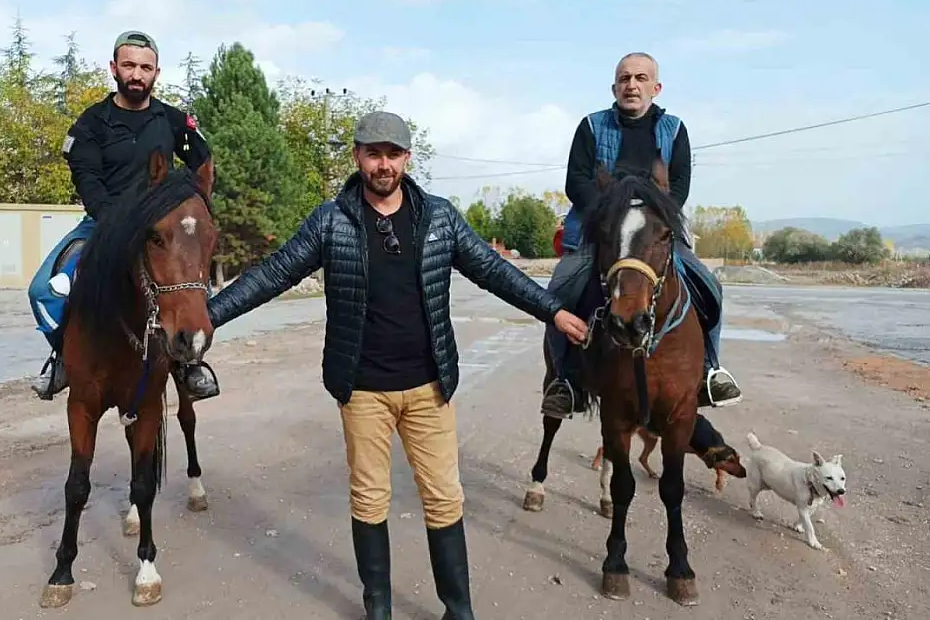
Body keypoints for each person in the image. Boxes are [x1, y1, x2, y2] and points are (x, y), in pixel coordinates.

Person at [206, 110, 588, 620]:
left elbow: (495, 271)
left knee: (444, 499)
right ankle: (378, 609)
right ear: (357, 157)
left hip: (429, 388)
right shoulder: (331, 221)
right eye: (372, 153)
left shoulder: (440, 218)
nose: (383, 164)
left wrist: (554, 310)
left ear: (407, 158)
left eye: (392, 154)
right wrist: (209, 316)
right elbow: (273, 273)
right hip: (362, 390)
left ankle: (459, 610)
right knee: (369, 500)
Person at [539, 51, 743, 420]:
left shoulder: (676, 129)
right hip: (600, 229)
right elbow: (576, 181)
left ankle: (711, 369)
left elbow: (678, 185)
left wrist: (655, 214)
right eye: (624, 78)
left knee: (710, 286)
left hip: (654, 228)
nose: (631, 85)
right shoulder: (591, 125)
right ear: (614, 86)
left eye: (640, 78)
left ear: (656, 87)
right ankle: (564, 380)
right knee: (560, 290)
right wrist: (609, 212)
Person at [28, 30, 216, 401]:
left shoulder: (174, 122)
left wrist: (188, 209)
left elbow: (203, 166)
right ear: (114, 68)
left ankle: (188, 364)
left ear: (156, 73)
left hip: (162, 230)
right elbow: (87, 178)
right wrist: (115, 223)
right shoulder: (92, 123)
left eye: (145, 68)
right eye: (129, 65)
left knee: (192, 289)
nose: (137, 74)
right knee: (43, 291)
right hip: (101, 225)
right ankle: (63, 357)